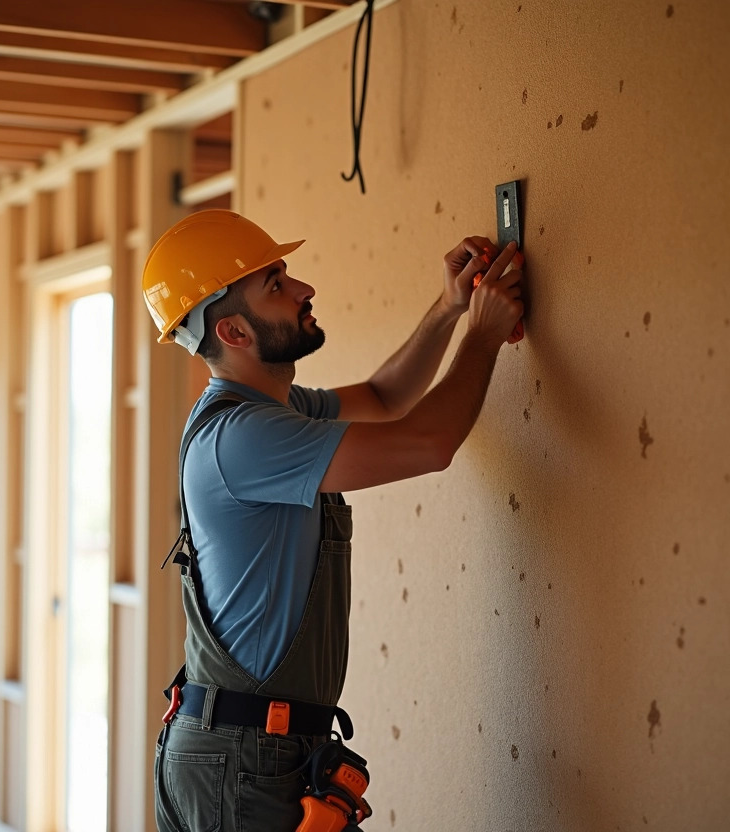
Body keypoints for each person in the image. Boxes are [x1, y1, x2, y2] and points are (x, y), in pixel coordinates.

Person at [143, 209, 524, 832]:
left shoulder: (272, 409)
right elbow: (428, 443)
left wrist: (452, 307)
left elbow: (384, 398)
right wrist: (483, 336)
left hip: (246, 752)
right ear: (235, 332)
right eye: (276, 285)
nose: (303, 290)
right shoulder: (244, 437)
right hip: (244, 762)